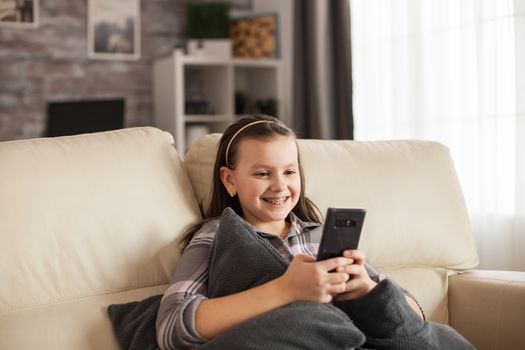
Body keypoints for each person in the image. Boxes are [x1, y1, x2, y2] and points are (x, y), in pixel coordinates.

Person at [156, 115, 469, 350]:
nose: (280, 185)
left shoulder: (320, 236)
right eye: (263, 173)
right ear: (230, 180)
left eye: (289, 172)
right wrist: (287, 289)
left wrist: (365, 290)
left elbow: (415, 316)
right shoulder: (216, 235)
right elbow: (171, 328)